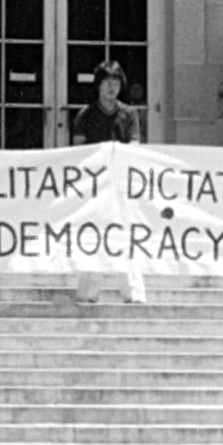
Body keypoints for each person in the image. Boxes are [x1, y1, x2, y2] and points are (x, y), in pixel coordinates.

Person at [70, 60, 146, 304]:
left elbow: (134, 147)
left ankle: (133, 291)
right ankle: (88, 292)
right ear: (98, 86)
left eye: (115, 83)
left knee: (127, 235)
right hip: (94, 188)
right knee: (92, 237)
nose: (111, 88)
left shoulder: (129, 114)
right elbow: (78, 151)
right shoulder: (85, 115)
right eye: (106, 83)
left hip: (122, 187)